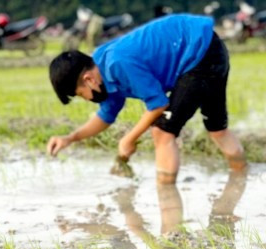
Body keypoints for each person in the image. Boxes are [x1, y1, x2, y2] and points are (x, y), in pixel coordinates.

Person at [45, 13, 247, 184]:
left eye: (81, 94)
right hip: (209, 47)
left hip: (198, 54)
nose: (86, 99)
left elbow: (158, 104)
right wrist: (70, 138)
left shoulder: (118, 64)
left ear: (88, 80)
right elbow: (105, 117)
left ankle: (167, 203)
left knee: (162, 133)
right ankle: (241, 178)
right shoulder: (100, 69)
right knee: (217, 129)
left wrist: (128, 139)